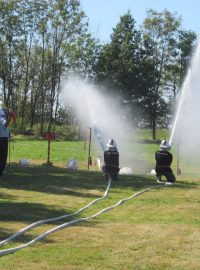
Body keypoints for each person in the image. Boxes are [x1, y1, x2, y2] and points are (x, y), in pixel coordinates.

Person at [0, 108, 12, 177]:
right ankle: (0, 172)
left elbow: (5, 128)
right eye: (6, 111)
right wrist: (10, 116)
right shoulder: (2, 118)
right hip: (3, 140)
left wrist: (8, 133)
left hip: (2, 138)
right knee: (3, 157)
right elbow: (5, 124)